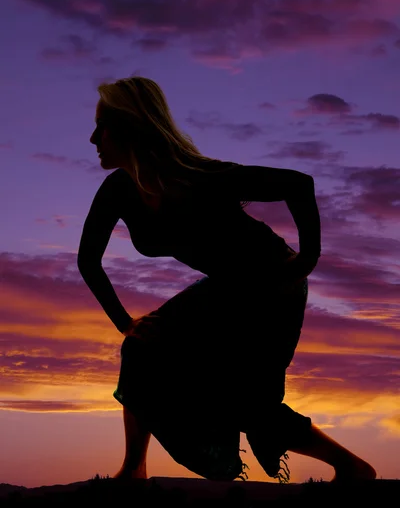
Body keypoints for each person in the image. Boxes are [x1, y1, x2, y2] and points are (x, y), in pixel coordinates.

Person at [77, 76, 376, 484]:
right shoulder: (118, 190)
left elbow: (298, 185)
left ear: (129, 126)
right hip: (227, 286)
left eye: (101, 127)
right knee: (141, 347)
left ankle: (354, 468)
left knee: (249, 400)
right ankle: (134, 469)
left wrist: (307, 259)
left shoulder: (199, 176)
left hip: (274, 284)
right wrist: (124, 321)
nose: (93, 139)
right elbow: (88, 261)